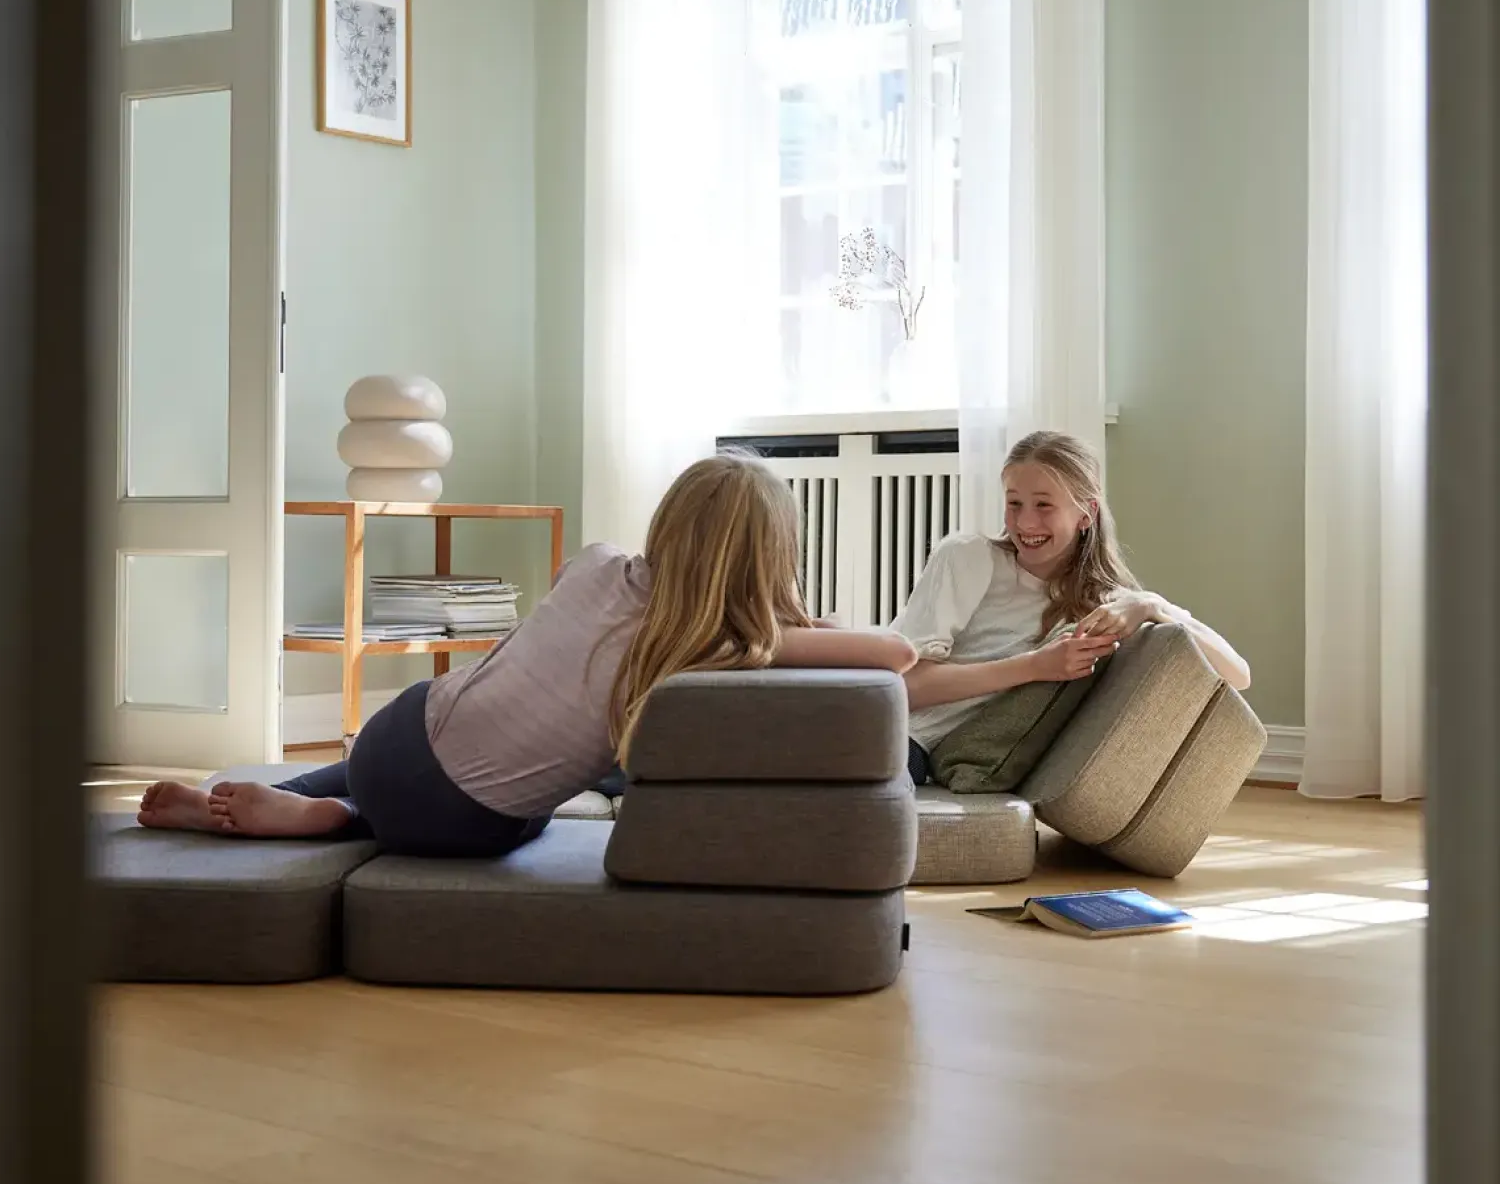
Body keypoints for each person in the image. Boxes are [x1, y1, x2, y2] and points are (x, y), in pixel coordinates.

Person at [137, 452, 916, 857]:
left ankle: (279, 797)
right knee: (536, 801)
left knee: (444, 724)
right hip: (461, 829)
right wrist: (791, 622)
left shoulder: (595, 562)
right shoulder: (718, 645)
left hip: (393, 741)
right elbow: (896, 651)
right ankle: (342, 820)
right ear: (768, 559)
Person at [896, 429, 1250, 785]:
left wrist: (1149, 603)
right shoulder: (968, 557)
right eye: (1014, 503)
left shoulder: (1107, 606)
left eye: (1043, 505)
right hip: (892, 726)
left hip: (926, 753)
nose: (1025, 523)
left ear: (1086, 513)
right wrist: (1035, 666)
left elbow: (1237, 674)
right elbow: (905, 685)